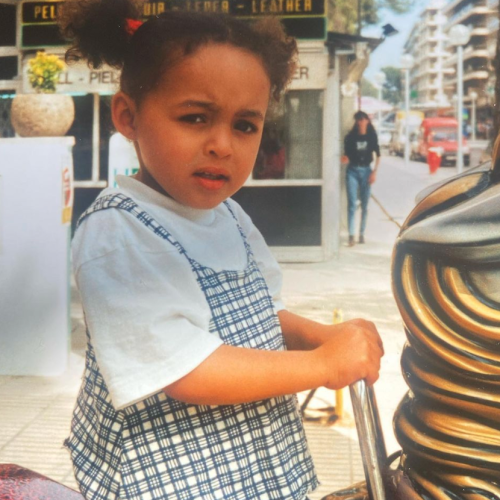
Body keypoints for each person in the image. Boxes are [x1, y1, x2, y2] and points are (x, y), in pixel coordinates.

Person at [59, 3, 384, 499]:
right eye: (195, 117)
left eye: (245, 125)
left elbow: (261, 314)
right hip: (172, 478)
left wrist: (322, 337)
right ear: (128, 116)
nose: (222, 145)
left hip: (249, 462)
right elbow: (186, 370)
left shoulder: (229, 216)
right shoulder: (117, 233)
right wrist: (323, 365)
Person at [342, 111, 381, 247]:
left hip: (366, 171)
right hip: (352, 171)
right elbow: (346, 155)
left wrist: (374, 172)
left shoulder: (371, 136)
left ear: (367, 121)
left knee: (365, 204)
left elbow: (378, 155)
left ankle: (361, 233)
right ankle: (351, 235)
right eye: (359, 120)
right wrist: (345, 159)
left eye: (363, 119)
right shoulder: (350, 137)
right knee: (352, 204)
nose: (361, 122)